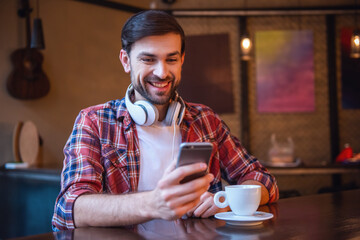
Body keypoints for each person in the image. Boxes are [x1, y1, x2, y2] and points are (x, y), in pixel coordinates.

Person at [52, 10, 279, 231]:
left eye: (171, 59)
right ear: (126, 61)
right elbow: (70, 208)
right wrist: (154, 203)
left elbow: (263, 179)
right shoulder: (94, 121)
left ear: (182, 61)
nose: (162, 72)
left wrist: (229, 200)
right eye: (148, 59)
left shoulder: (206, 120)